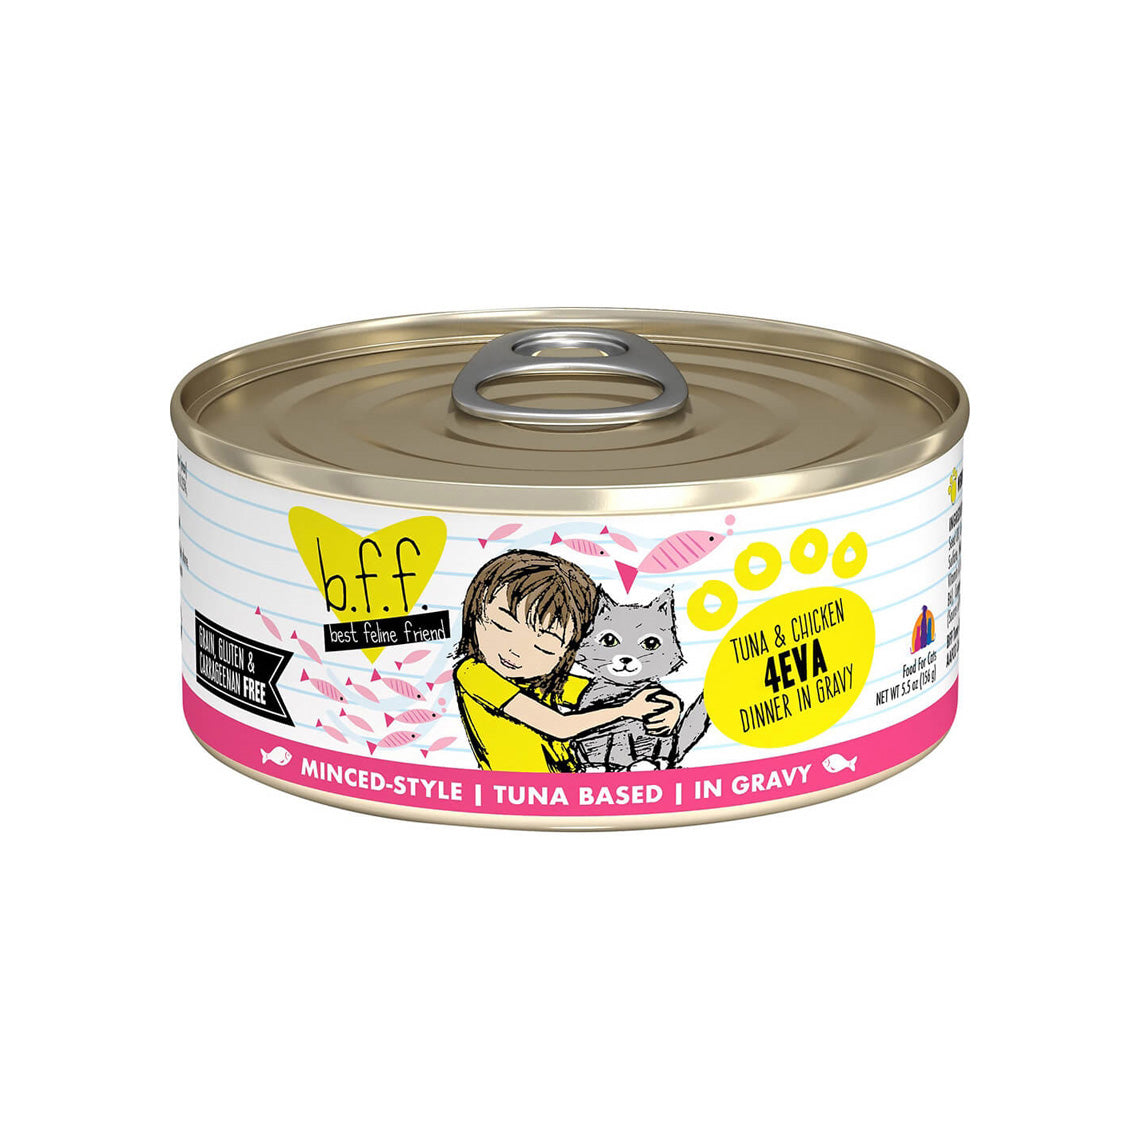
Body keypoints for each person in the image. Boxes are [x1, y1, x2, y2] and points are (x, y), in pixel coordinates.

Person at [453, 550, 680, 773]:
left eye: (543, 647)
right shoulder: (473, 673)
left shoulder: (542, 678)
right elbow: (558, 726)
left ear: (568, 651)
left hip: (569, 777)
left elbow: (610, 692)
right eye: (502, 626)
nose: (515, 651)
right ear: (475, 614)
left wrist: (667, 705)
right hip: (520, 785)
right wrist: (626, 710)